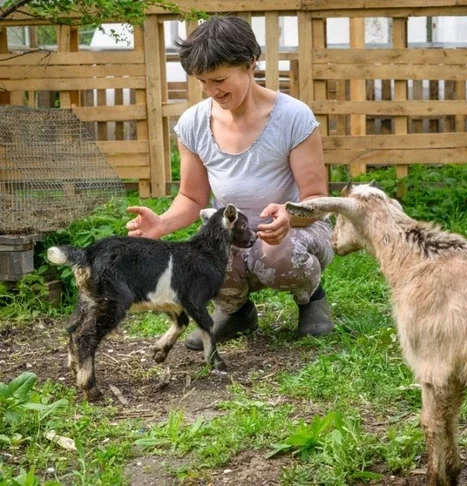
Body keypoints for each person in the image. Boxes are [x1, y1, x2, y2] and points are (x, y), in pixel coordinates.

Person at [125, 15, 335, 349]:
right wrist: (162, 223)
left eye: (219, 79)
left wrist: (290, 216)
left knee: (274, 255)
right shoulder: (194, 123)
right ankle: (236, 312)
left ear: (251, 63)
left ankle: (311, 299)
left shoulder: (293, 117)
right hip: (233, 231)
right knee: (197, 258)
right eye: (202, 82)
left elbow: (315, 198)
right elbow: (193, 199)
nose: (211, 91)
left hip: (296, 230)